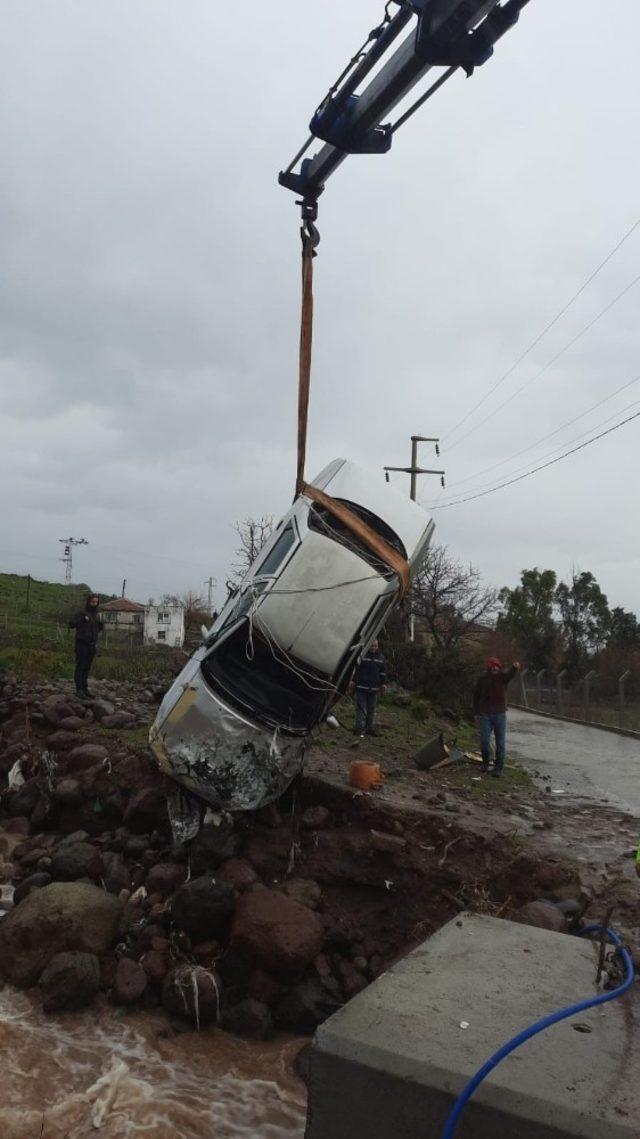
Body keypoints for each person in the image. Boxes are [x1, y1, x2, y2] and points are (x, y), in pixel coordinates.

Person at [473, 656, 520, 777]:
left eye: (497, 666)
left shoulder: (503, 678)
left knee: (500, 743)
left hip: (500, 714)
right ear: (488, 667)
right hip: (485, 714)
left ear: (499, 667)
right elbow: (476, 696)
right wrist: (475, 713)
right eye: (492, 666)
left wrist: (514, 667)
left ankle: (498, 769)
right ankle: (485, 763)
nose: (495, 668)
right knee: (484, 741)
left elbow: (510, 674)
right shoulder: (482, 680)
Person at [69, 593, 103, 698]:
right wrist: (82, 620)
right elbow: (71, 624)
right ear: (88, 602)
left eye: (96, 602)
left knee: (87, 668)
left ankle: (85, 689)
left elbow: (97, 629)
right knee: (81, 666)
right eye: (92, 602)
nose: (94, 604)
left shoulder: (97, 615)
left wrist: (101, 625)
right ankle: (79, 690)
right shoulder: (82, 613)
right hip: (81, 644)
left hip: (92, 645)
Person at [351, 639, 386, 736]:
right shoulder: (362, 656)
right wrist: (353, 681)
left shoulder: (381, 658)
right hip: (361, 687)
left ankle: (369, 728)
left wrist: (383, 684)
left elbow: (383, 673)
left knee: (371, 709)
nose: (373, 647)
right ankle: (358, 728)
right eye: (371, 646)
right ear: (368, 646)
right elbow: (356, 670)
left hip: (374, 689)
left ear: (377, 646)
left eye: (375, 646)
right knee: (361, 709)